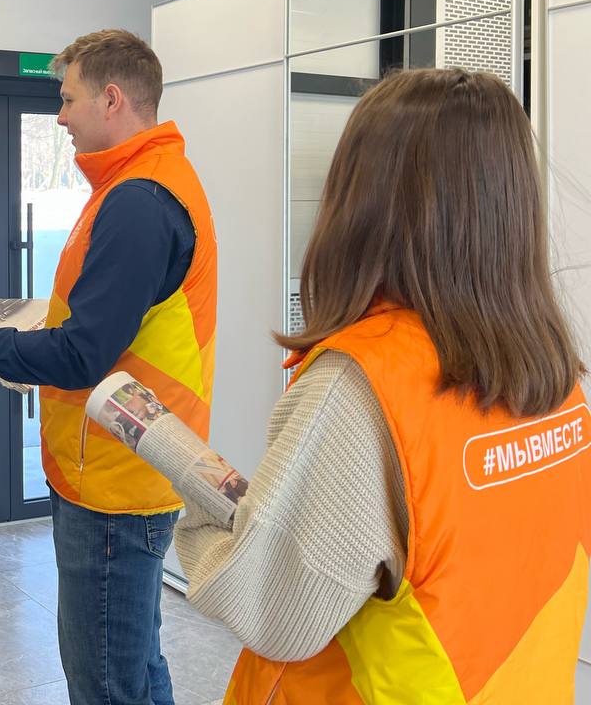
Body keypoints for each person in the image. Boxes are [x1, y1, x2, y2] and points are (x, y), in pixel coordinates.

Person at [155, 68, 590, 704]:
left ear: (363, 202)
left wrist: (193, 493)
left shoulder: (362, 386)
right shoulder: (556, 382)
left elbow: (270, 610)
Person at [0, 29, 218, 705]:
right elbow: (106, 329)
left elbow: (79, 355)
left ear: (111, 99)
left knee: (107, 684)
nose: (59, 117)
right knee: (136, 669)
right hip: (124, 466)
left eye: (67, 100)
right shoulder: (139, 184)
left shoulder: (139, 201)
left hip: (116, 482)